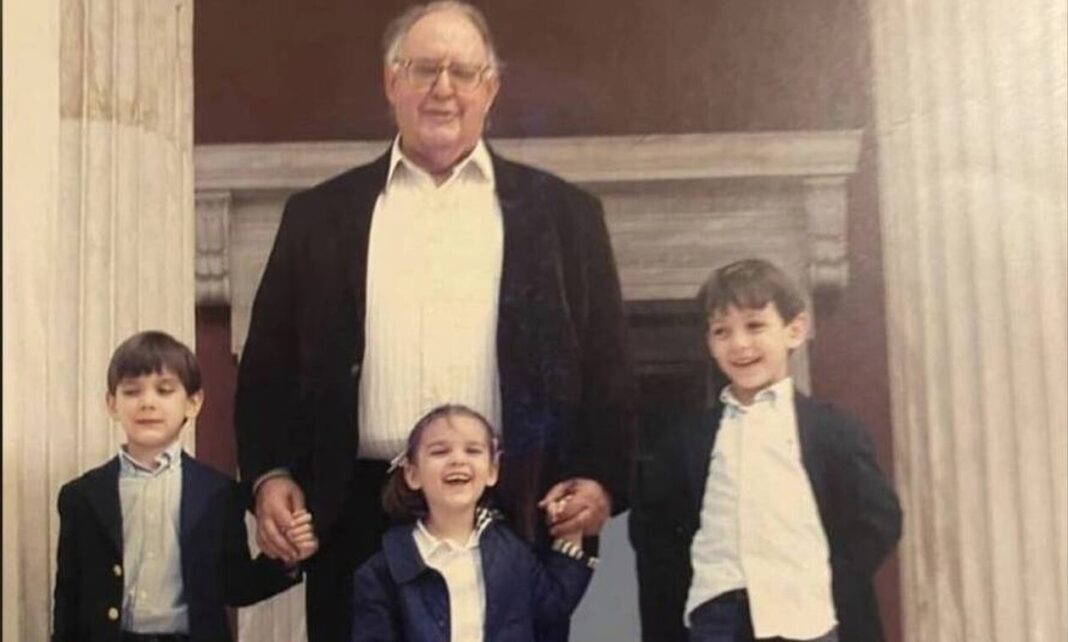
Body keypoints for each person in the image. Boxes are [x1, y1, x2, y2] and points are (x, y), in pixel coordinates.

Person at [234, 2, 636, 640]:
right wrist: (270, 475)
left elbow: (609, 368)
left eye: (462, 71)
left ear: (490, 88)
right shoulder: (319, 216)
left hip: (514, 510)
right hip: (355, 516)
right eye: (424, 69)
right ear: (391, 81)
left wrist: (602, 480)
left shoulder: (565, 217)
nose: (443, 88)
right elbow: (267, 368)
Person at [629, 259, 902, 642]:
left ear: (795, 330)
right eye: (722, 331)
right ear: (709, 344)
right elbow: (654, 531)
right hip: (718, 618)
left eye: (755, 326)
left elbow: (879, 518)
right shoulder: (687, 440)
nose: (739, 344)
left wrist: (827, 579)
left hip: (805, 615)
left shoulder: (832, 429)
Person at [52, 331, 319, 642]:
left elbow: (236, 586)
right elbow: (68, 597)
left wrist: (287, 557)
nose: (147, 403)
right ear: (112, 404)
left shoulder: (218, 493)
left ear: (193, 403)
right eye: (132, 392)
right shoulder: (81, 496)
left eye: (164, 391)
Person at [352, 404, 595, 641]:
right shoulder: (383, 570)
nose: (458, 459)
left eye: (473, 450)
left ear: (492, 470)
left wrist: (570, 532)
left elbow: (552, 610)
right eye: (440, 452)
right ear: (412, 474)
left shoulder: (513, 553)